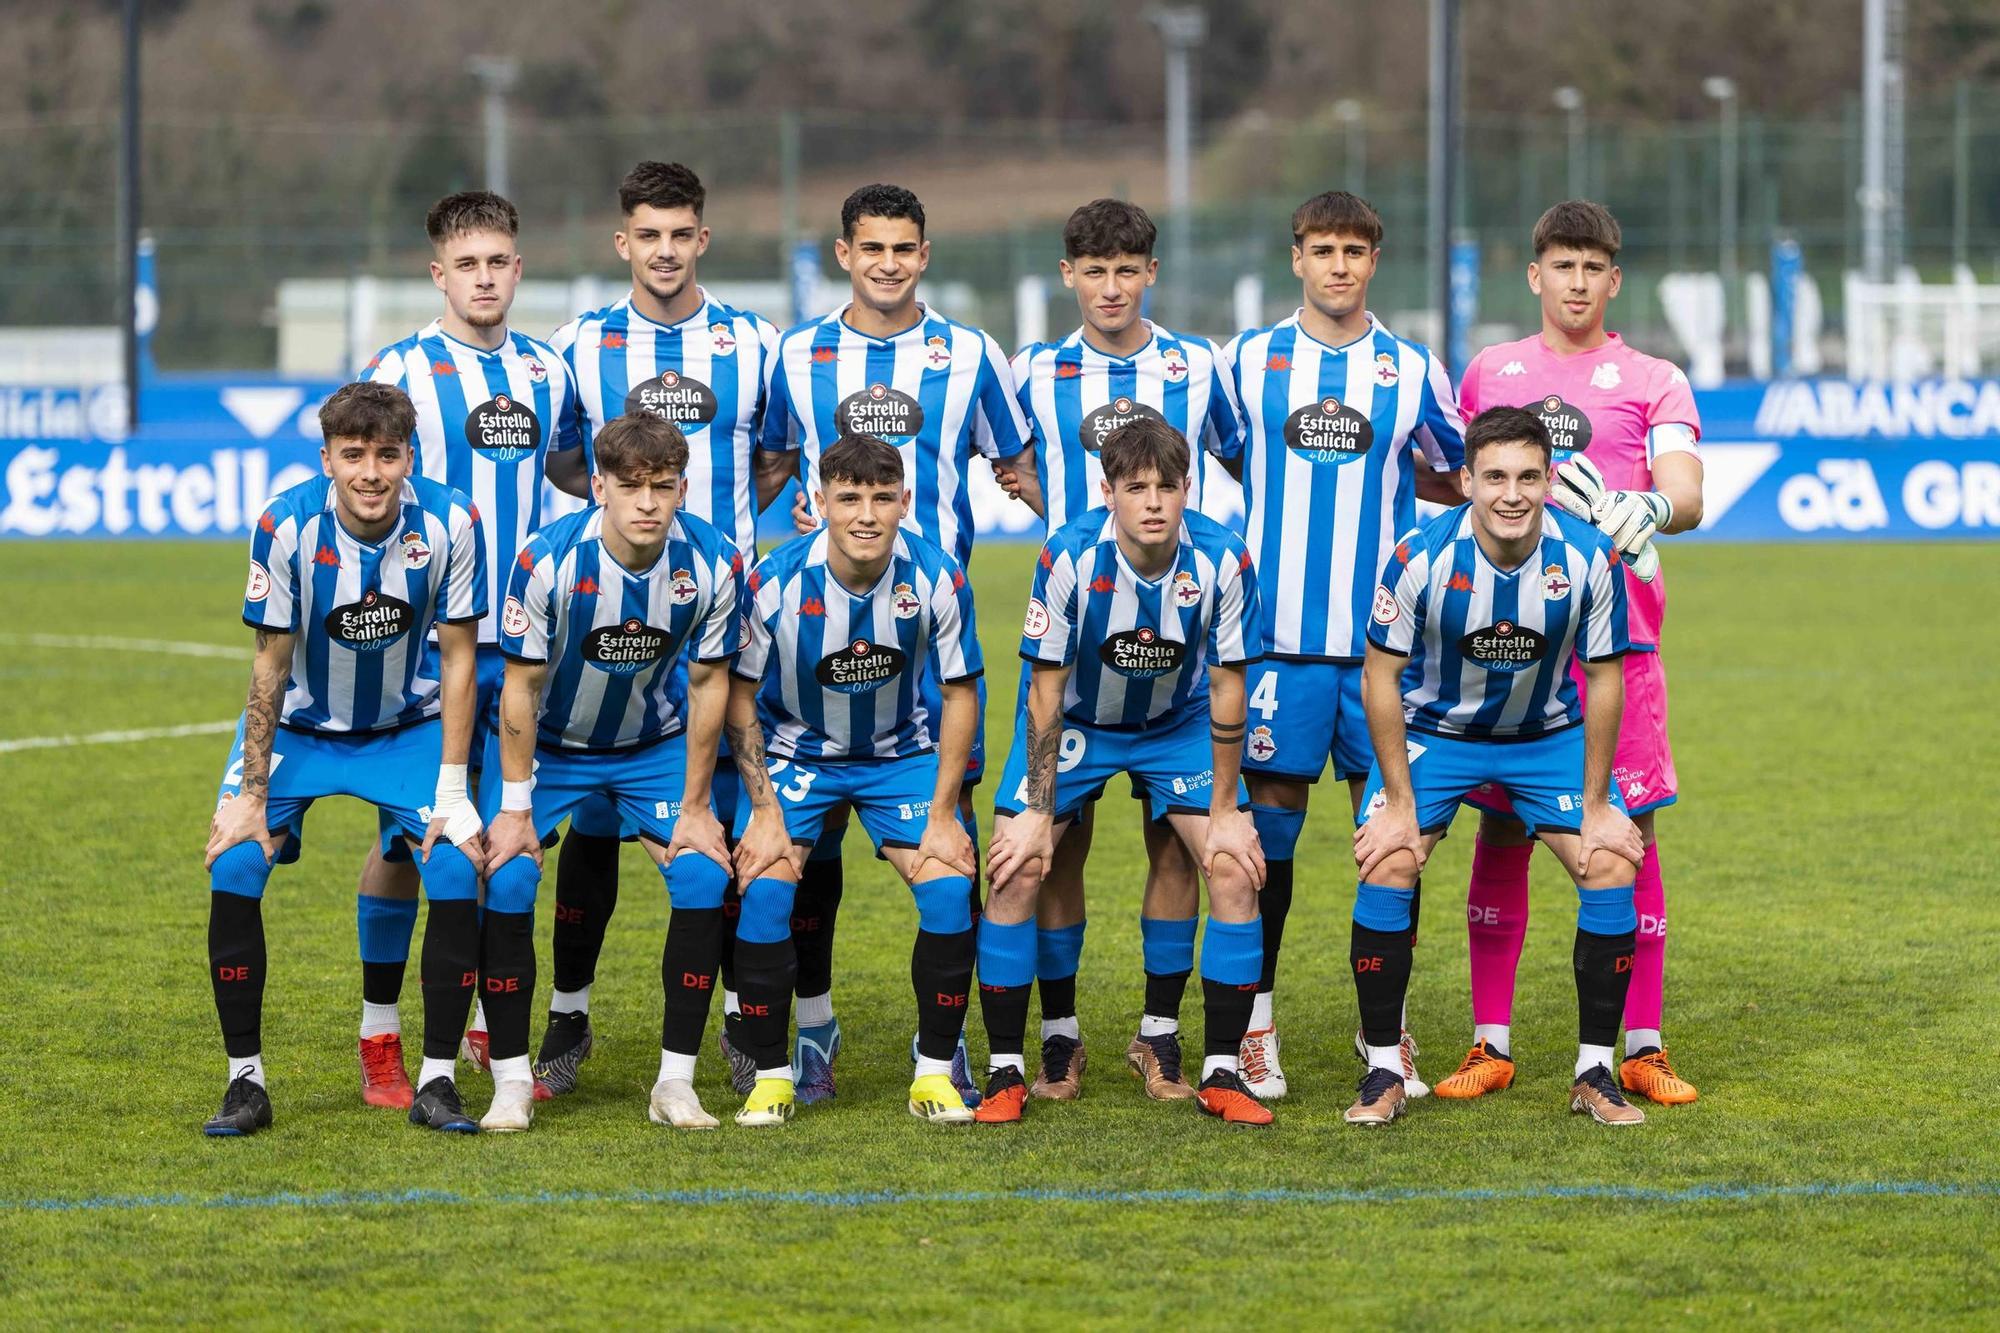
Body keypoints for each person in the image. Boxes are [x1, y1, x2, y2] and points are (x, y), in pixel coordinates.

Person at [757, 183, 1041, 1104]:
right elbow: (764, 461)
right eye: (871, 247)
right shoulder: (796, 355)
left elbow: (1015, 462)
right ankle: (812, 1026)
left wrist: (1086, 542)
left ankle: (943, 1050)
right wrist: (786, 520)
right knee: (807, 861)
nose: (887, 263)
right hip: (816, 641)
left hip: (931, 641)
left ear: (925, 255)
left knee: (944, 852)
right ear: (844, 252)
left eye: (904, 248)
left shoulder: (970, 354)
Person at [517, 161, 785, 1100]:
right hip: (605, 621)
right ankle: (571, 1011)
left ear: (702, 239)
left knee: (727, 826)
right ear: (622, 242)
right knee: (593, 827)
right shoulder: (578, 346)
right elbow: (562, 461)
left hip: (718, 617)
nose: (666, 251)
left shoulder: (756, 342)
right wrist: (625, 539)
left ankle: (737, 1021)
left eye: (682, 234)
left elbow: (779, 453)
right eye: (649, 235)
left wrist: (701, 547)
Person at [325, 191, 588, 1107]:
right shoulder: (399, 370)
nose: (485, 278)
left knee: (503, 835)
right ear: (439, 273)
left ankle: (482, 1026)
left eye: (500, 261)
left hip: (523, 650)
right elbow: (364, 490)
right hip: (428, 652)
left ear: (519, 267)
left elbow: (568, 470)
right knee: (408, 842)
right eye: (467, 264)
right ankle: (379, 1033)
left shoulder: (550, 374)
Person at [1440, 199, 1706, 1105]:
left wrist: (1651, 511)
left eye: (1593, 266)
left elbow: (1686, 486)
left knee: (1633, 832)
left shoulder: (1654, 377)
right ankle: (1491, 1042)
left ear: (1614, 279)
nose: (1578, 281)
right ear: (1535, 275)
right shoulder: (1490, 371)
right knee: (1502, 821)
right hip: (1511, 645)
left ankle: (1641, 1042)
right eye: (1562, 264)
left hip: (1619, 643)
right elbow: (1454, 482)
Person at [1219, 191, 1466, 1099]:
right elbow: (1226, 453)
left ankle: (1387, 1033)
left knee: (1394, 839)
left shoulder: (1410, 368)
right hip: (1279, 648)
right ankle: (1254, 1024)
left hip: (1385, 654)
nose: (1338, 265)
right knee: (1267, 851)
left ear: (1373, 261)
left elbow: (1453, 470)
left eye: (1354, 250)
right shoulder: (1247, 360)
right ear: (1296, 258)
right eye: (1322, 248)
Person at [1001, 199, 1245, 1101]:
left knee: (1179, 850)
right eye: (1093, 270)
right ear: (1069, 275)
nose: (1110, 286)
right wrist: (1069, 531)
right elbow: (1009, 463)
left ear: (1152, 274)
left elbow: (1229, 458)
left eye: (1127, 269)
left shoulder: (1196, 366)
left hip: (1176, 661)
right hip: (1075, 644)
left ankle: (1159, 1035)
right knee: (1056, 848)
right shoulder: (1032, 370)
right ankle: (1059, 1037)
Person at [200, 381, 490, 1136]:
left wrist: (454, 791)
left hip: (408, 727)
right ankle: (245, 1084)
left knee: (457, 864)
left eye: (386, 455)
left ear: (409, 457)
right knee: (234, 861)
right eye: (353, 455)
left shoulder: (454, 519)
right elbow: (268, 666)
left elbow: (460, 660)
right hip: (300, 728)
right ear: (326, 457)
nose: (370, 472)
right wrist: (251, 794)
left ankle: (437, 1081)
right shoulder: (286, 524)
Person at [1346, 406, 1646, 1128]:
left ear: (1549, 481)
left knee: (1609, 860)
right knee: (1389, 858)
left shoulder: (1588, 558)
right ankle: (1384, 1067)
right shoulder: (1419, 555)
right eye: (1495, 477)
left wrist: (1599, 802)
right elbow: (1379, 676)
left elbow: (1605, 679)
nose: (1512, 494)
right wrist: (1395, 799)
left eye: (1528, 477)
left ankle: (1594, 1071)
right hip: (1437, 732)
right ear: (1465, 480)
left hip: (1545, 736)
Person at [979, 418, 1269, 1125]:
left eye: (1167, 486)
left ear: (1187, 489)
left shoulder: (1224, 559)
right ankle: (1027, 1056)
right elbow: (1043, 690)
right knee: (1020, 863)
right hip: (1076, 723)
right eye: (1135, 487)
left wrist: (1228, 807)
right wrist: (1040, 811)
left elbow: (1231, 687)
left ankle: (1197, 1055)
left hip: (1176, 727)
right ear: (1107, 491)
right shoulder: (1070, 556)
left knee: (1228, 863)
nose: (1152, 501)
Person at [478, 413, 743, 1131]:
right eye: (631, 486)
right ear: (598, 486)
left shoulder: (714, 560)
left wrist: (694, 805)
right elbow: (520, 689)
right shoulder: (546, 560)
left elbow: (710, 682)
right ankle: (510, 1082)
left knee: (701, 873)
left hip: (647, 746)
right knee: (506, 872)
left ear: (684, 488)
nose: (648, 502)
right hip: (555, 747)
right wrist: (514, 804)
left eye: (663, 486)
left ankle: (676, 1083)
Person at [724, 434, 984, 1127]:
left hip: (899, 753)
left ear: (904, 502)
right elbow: (738, 695)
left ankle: (934, 1071)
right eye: (849, 498)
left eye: (880, 498)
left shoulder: (935, 575)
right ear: (820, 503)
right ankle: (774, 1074)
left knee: (950, 881)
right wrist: (764, 810)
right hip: (797, 753)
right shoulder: (774, 582)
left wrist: (943, 813)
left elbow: (962, 693)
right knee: (766, 882)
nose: (865, 515)